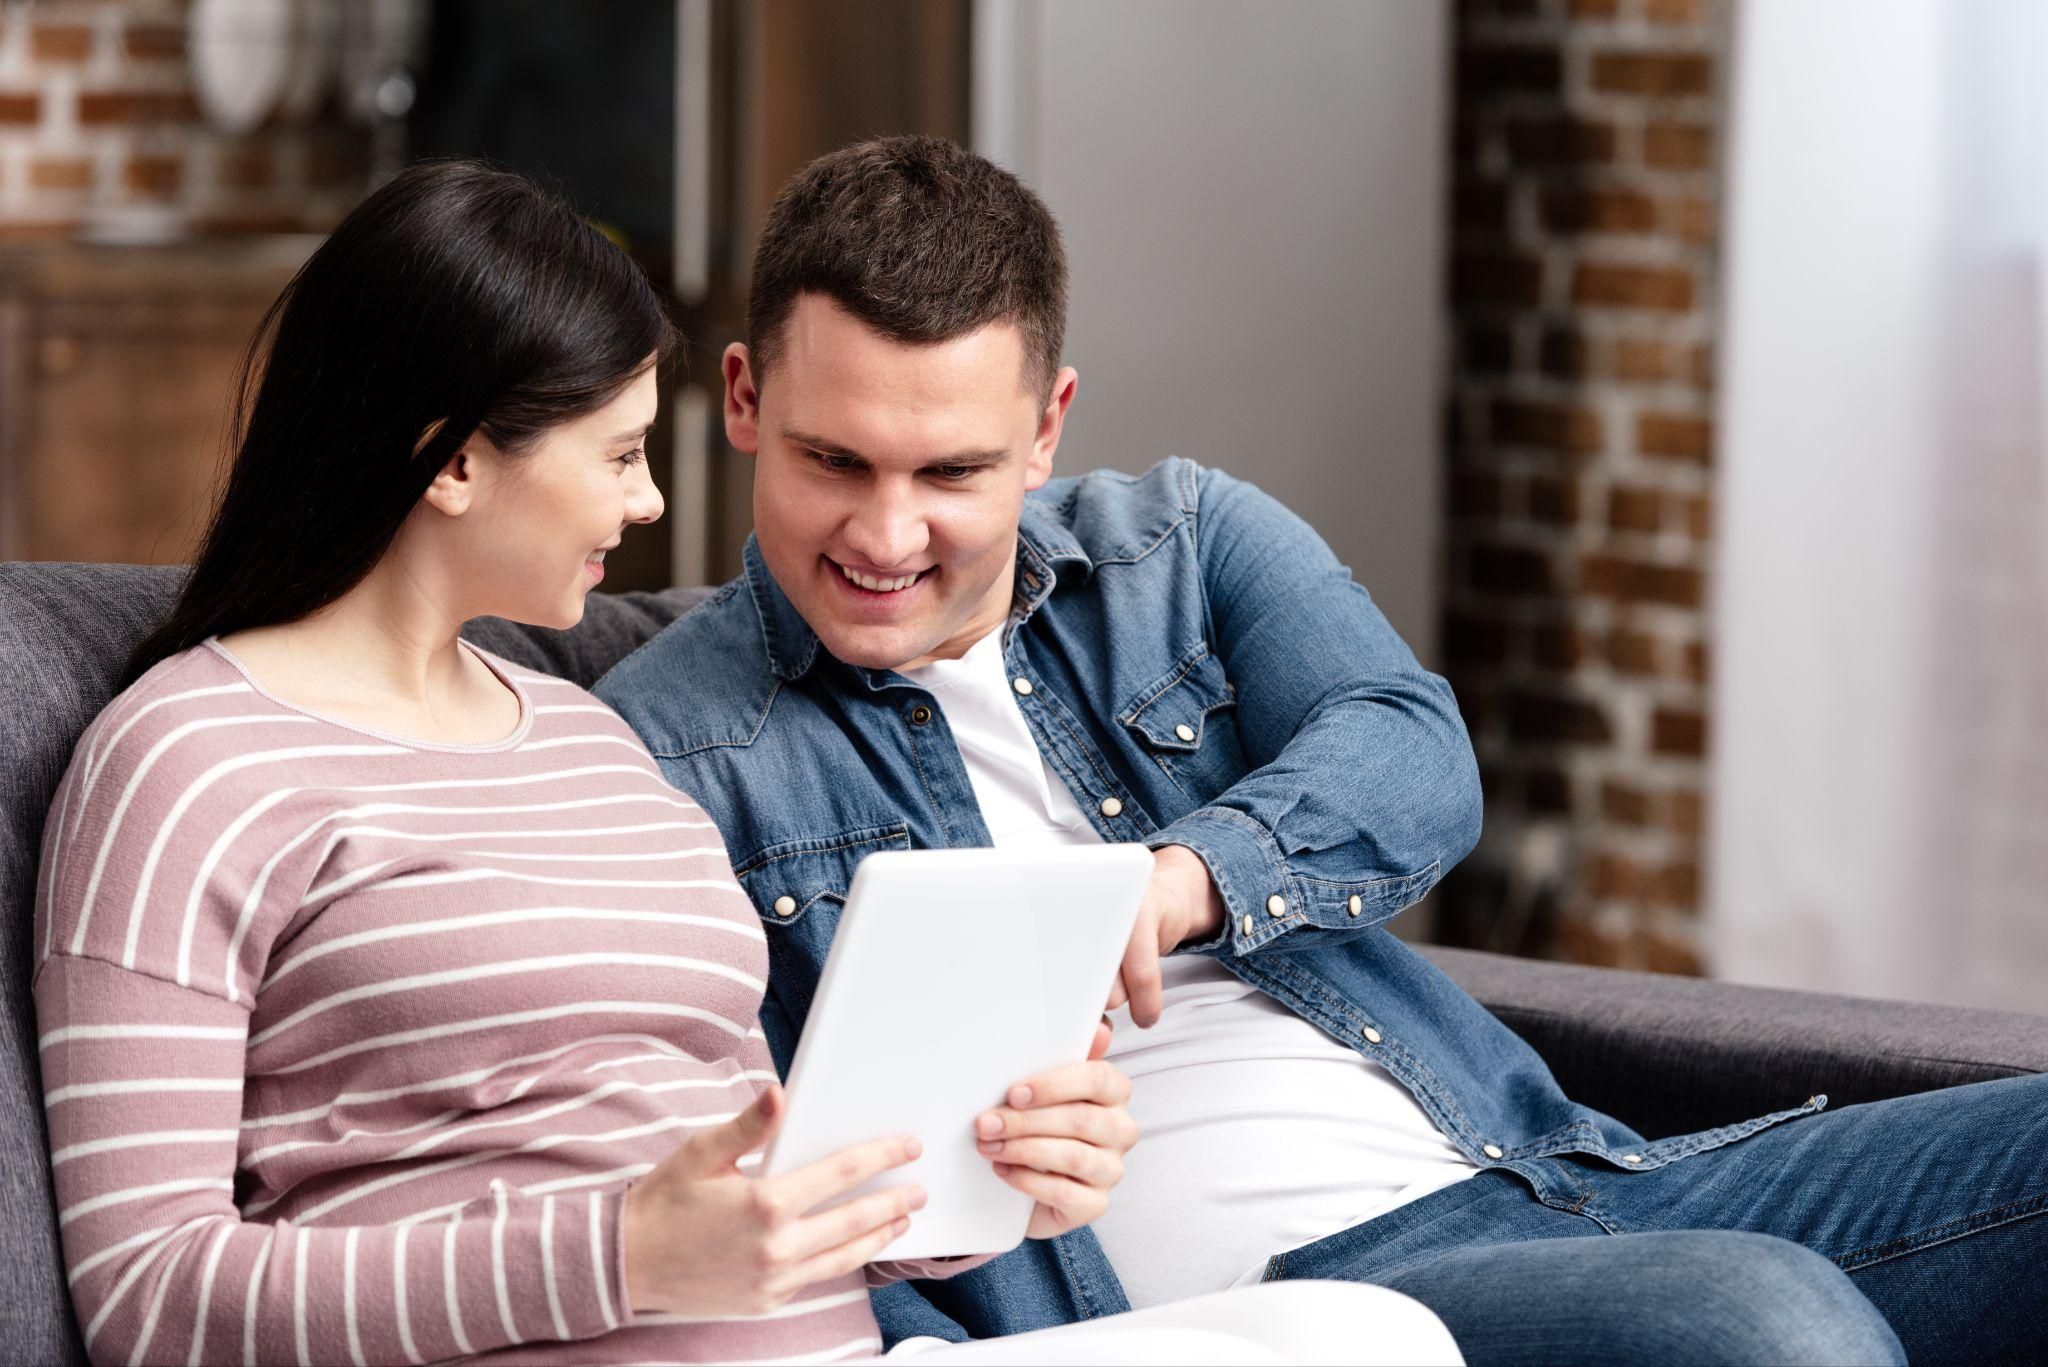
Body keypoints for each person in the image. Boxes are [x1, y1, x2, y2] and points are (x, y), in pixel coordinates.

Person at [596, 134, 2047, 1367]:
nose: (887, 536)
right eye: (833, 461)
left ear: (1046, 429)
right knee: (1757, 1321)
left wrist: (1177, 882)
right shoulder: (664, 754)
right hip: (1291, 1300)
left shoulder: (1180, 545)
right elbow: (709, 1188)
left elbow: (1413, 756)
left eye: (952, 472)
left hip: (1548, 1171)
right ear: (738, 403)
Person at [33, 159, 1439, 1367]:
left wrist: (971, 1197)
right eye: (622, 454)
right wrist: (622, 1255)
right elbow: (145, 1298)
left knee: (1378, 1335)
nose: (653, 503)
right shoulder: (186, 762)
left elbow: (747, 1217)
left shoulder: (589, 741)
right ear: (453, 460)